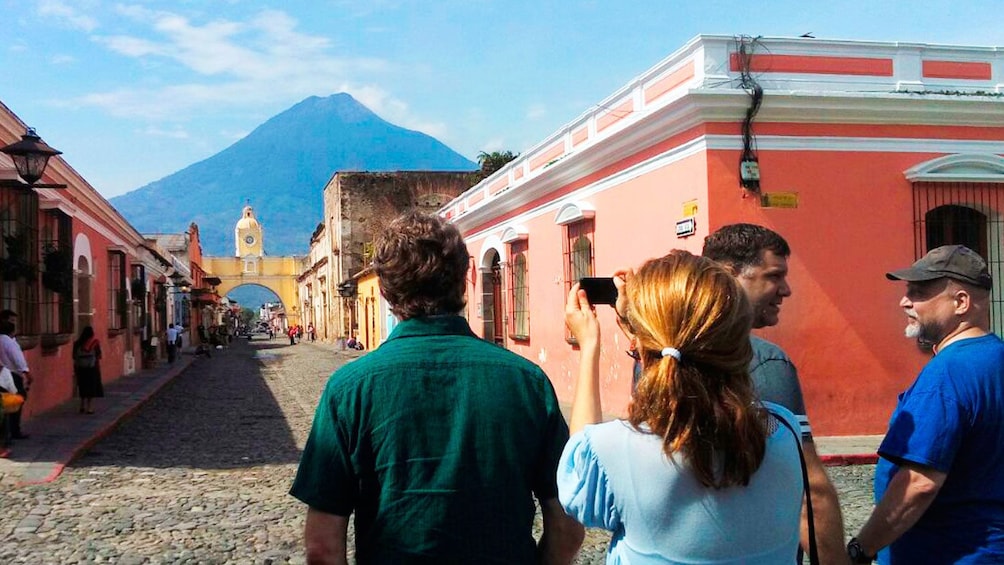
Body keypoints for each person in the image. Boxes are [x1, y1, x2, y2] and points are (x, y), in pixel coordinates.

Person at [290, 211, 583, 564]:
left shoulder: (348, 389)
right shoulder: (527, 382)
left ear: (384, 291)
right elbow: (566, 524)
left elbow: (322, 546)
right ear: (464, 281)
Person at [561, 250, 803, 563]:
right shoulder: (785, 431)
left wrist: (590, 345)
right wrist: (648, 333)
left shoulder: (612, 449)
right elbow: (680, 362)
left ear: (644, 342)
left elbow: (579, 480)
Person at [849, 245, 1004, 564]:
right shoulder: (994, 358)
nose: (905, 301)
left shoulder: (947, 373)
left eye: (919, 292)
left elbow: (918, 483)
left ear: (961, 302)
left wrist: (860, 549)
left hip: (950, 553)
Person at [701, 223, 846, 563]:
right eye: (774, 275)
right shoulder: (765, 364)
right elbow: (811, 491)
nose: (786, 290)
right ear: (728, 274)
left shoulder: (656, 359)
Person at [0, 316, 31, 441]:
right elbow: (18, 360)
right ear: (12, 331)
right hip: (10, 375)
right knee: (16, 402)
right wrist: (27, 373)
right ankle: (14, 430)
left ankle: (6, 432)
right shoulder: (9, 342)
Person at [72, 326, 104, 414]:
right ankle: (89, 407)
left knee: (82, 386)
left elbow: (74, 356)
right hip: (92, 368)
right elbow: (99, 355)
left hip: (81, 368)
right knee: (91, 387)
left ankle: (82, 405)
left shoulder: (77, 343)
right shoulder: (95, 343)